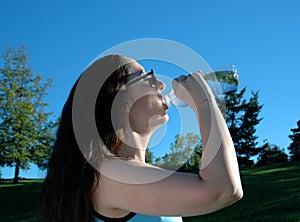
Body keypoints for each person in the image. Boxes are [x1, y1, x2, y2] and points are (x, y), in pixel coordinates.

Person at [41, 54, 243, 222]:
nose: (161, 84)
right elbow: (222, 189)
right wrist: (203, 100)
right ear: (117, 97)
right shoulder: (109, 174)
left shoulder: (122, 173)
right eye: (147, 77)